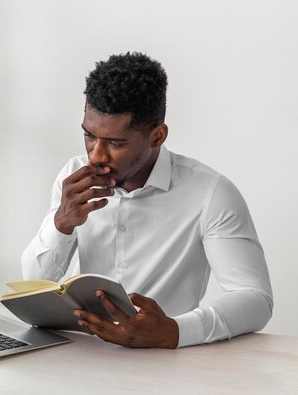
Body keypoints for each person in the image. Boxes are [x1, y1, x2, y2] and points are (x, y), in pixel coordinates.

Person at [21, 52, 273, 348]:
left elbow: (256, 300)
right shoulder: (73, 177)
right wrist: (60, 224)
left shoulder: (210, 193)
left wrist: (175, 332)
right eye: (89, 136)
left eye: (115, 143)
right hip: (76, 352)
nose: (96, 155)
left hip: (160, 363)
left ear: (157, 136)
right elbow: (33, 284)